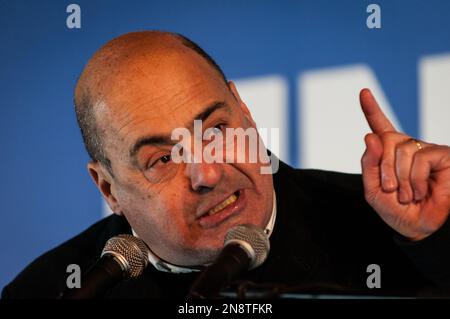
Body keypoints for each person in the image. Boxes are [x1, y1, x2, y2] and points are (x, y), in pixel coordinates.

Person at [2, 31, 449, 299]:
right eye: (162, 158)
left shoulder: (392, 233)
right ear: (108, 189)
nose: (207, 174)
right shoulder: (50, 291)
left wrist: (437, 239)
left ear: (245, 112)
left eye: (215, 131)